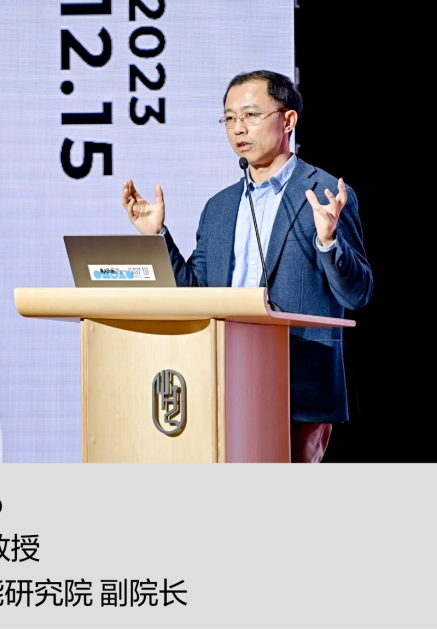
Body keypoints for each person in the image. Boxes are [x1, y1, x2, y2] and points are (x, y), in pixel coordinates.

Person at [121, 70, 372, 463]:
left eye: (251, 115)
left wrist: (328, 242)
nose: (238, 128)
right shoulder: (219, 208)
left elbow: (357, 294)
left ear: (288, 120)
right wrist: (158, 238)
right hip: (222, 380)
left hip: (299, 386)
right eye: (229, 118)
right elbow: (195, 295)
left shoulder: (325, 194)